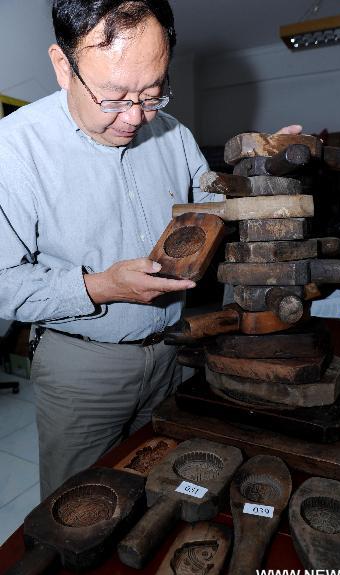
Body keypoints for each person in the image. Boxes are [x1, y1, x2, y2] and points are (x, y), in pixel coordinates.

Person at [0, 0, 302, 499]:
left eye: (153, 93)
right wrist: (102, 287)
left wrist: (260, 174)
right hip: (83, 369)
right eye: (115, 97)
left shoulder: (174, 134)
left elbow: (213, 208)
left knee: (161, 489)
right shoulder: (13, 150)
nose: (136, 117)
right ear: (62, 65)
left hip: (170, 353)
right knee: (81, 506)